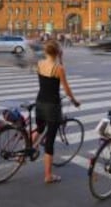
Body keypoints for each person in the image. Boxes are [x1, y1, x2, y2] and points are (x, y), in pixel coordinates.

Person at [34, 40, 80, 184]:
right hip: (52, 106)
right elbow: (66, 89)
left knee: (39, 129)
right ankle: (48, 176)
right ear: (58, 52)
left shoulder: (40, 64)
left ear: (46, 51)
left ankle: (24, 152)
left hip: (39, 102)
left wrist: (58, 58)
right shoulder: (59, 68)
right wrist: (74, 101)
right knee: (50, 142)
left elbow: (44, 82)